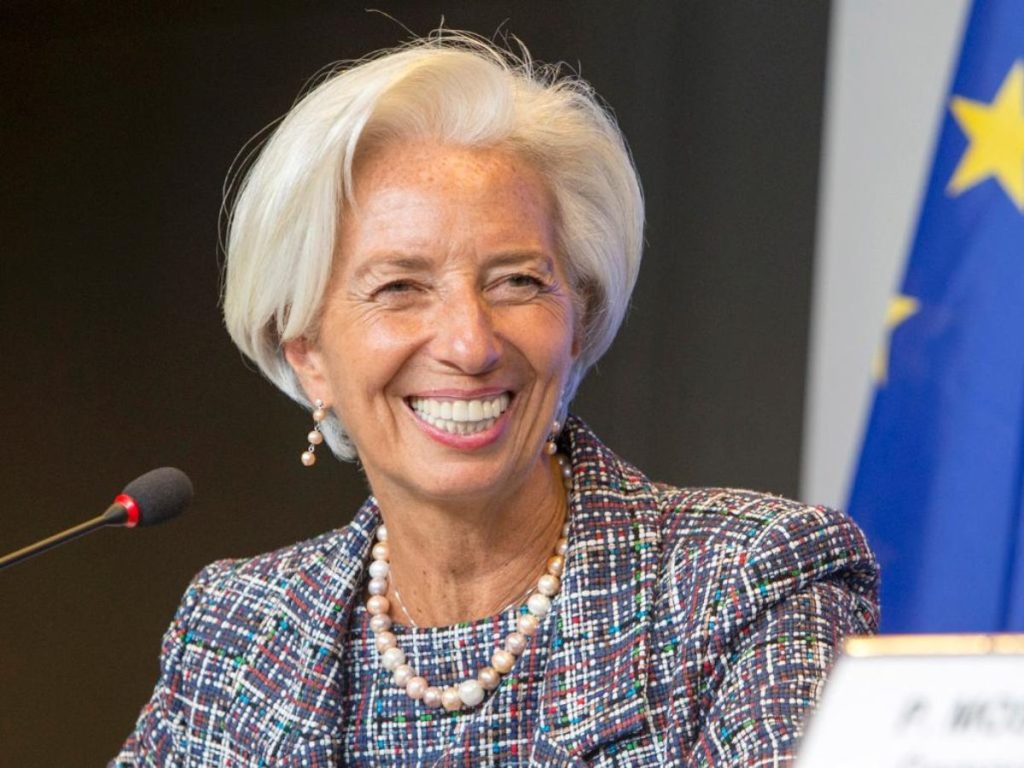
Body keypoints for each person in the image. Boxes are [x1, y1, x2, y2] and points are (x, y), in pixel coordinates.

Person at [113, 33, 878, 766]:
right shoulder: (237, 630)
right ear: (309, 355)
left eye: (517, 281)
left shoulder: (746, 584)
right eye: (400, 288)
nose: (470, 344)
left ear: (577, 321)